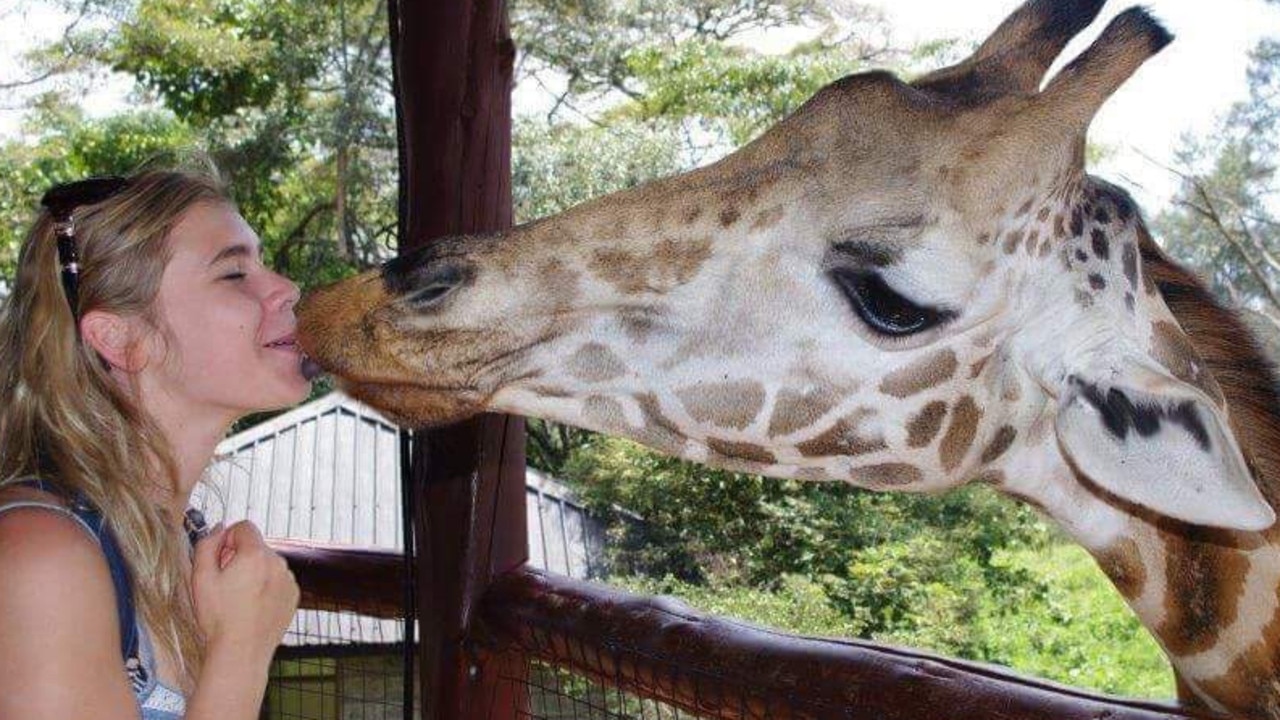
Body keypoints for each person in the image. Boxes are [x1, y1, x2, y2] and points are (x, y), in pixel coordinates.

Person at [0, 166, 313, 718]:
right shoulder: (41, 561)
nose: (285, 288)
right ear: (121, 338)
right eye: (234, 273)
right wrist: (242, 649)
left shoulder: (174, 543)